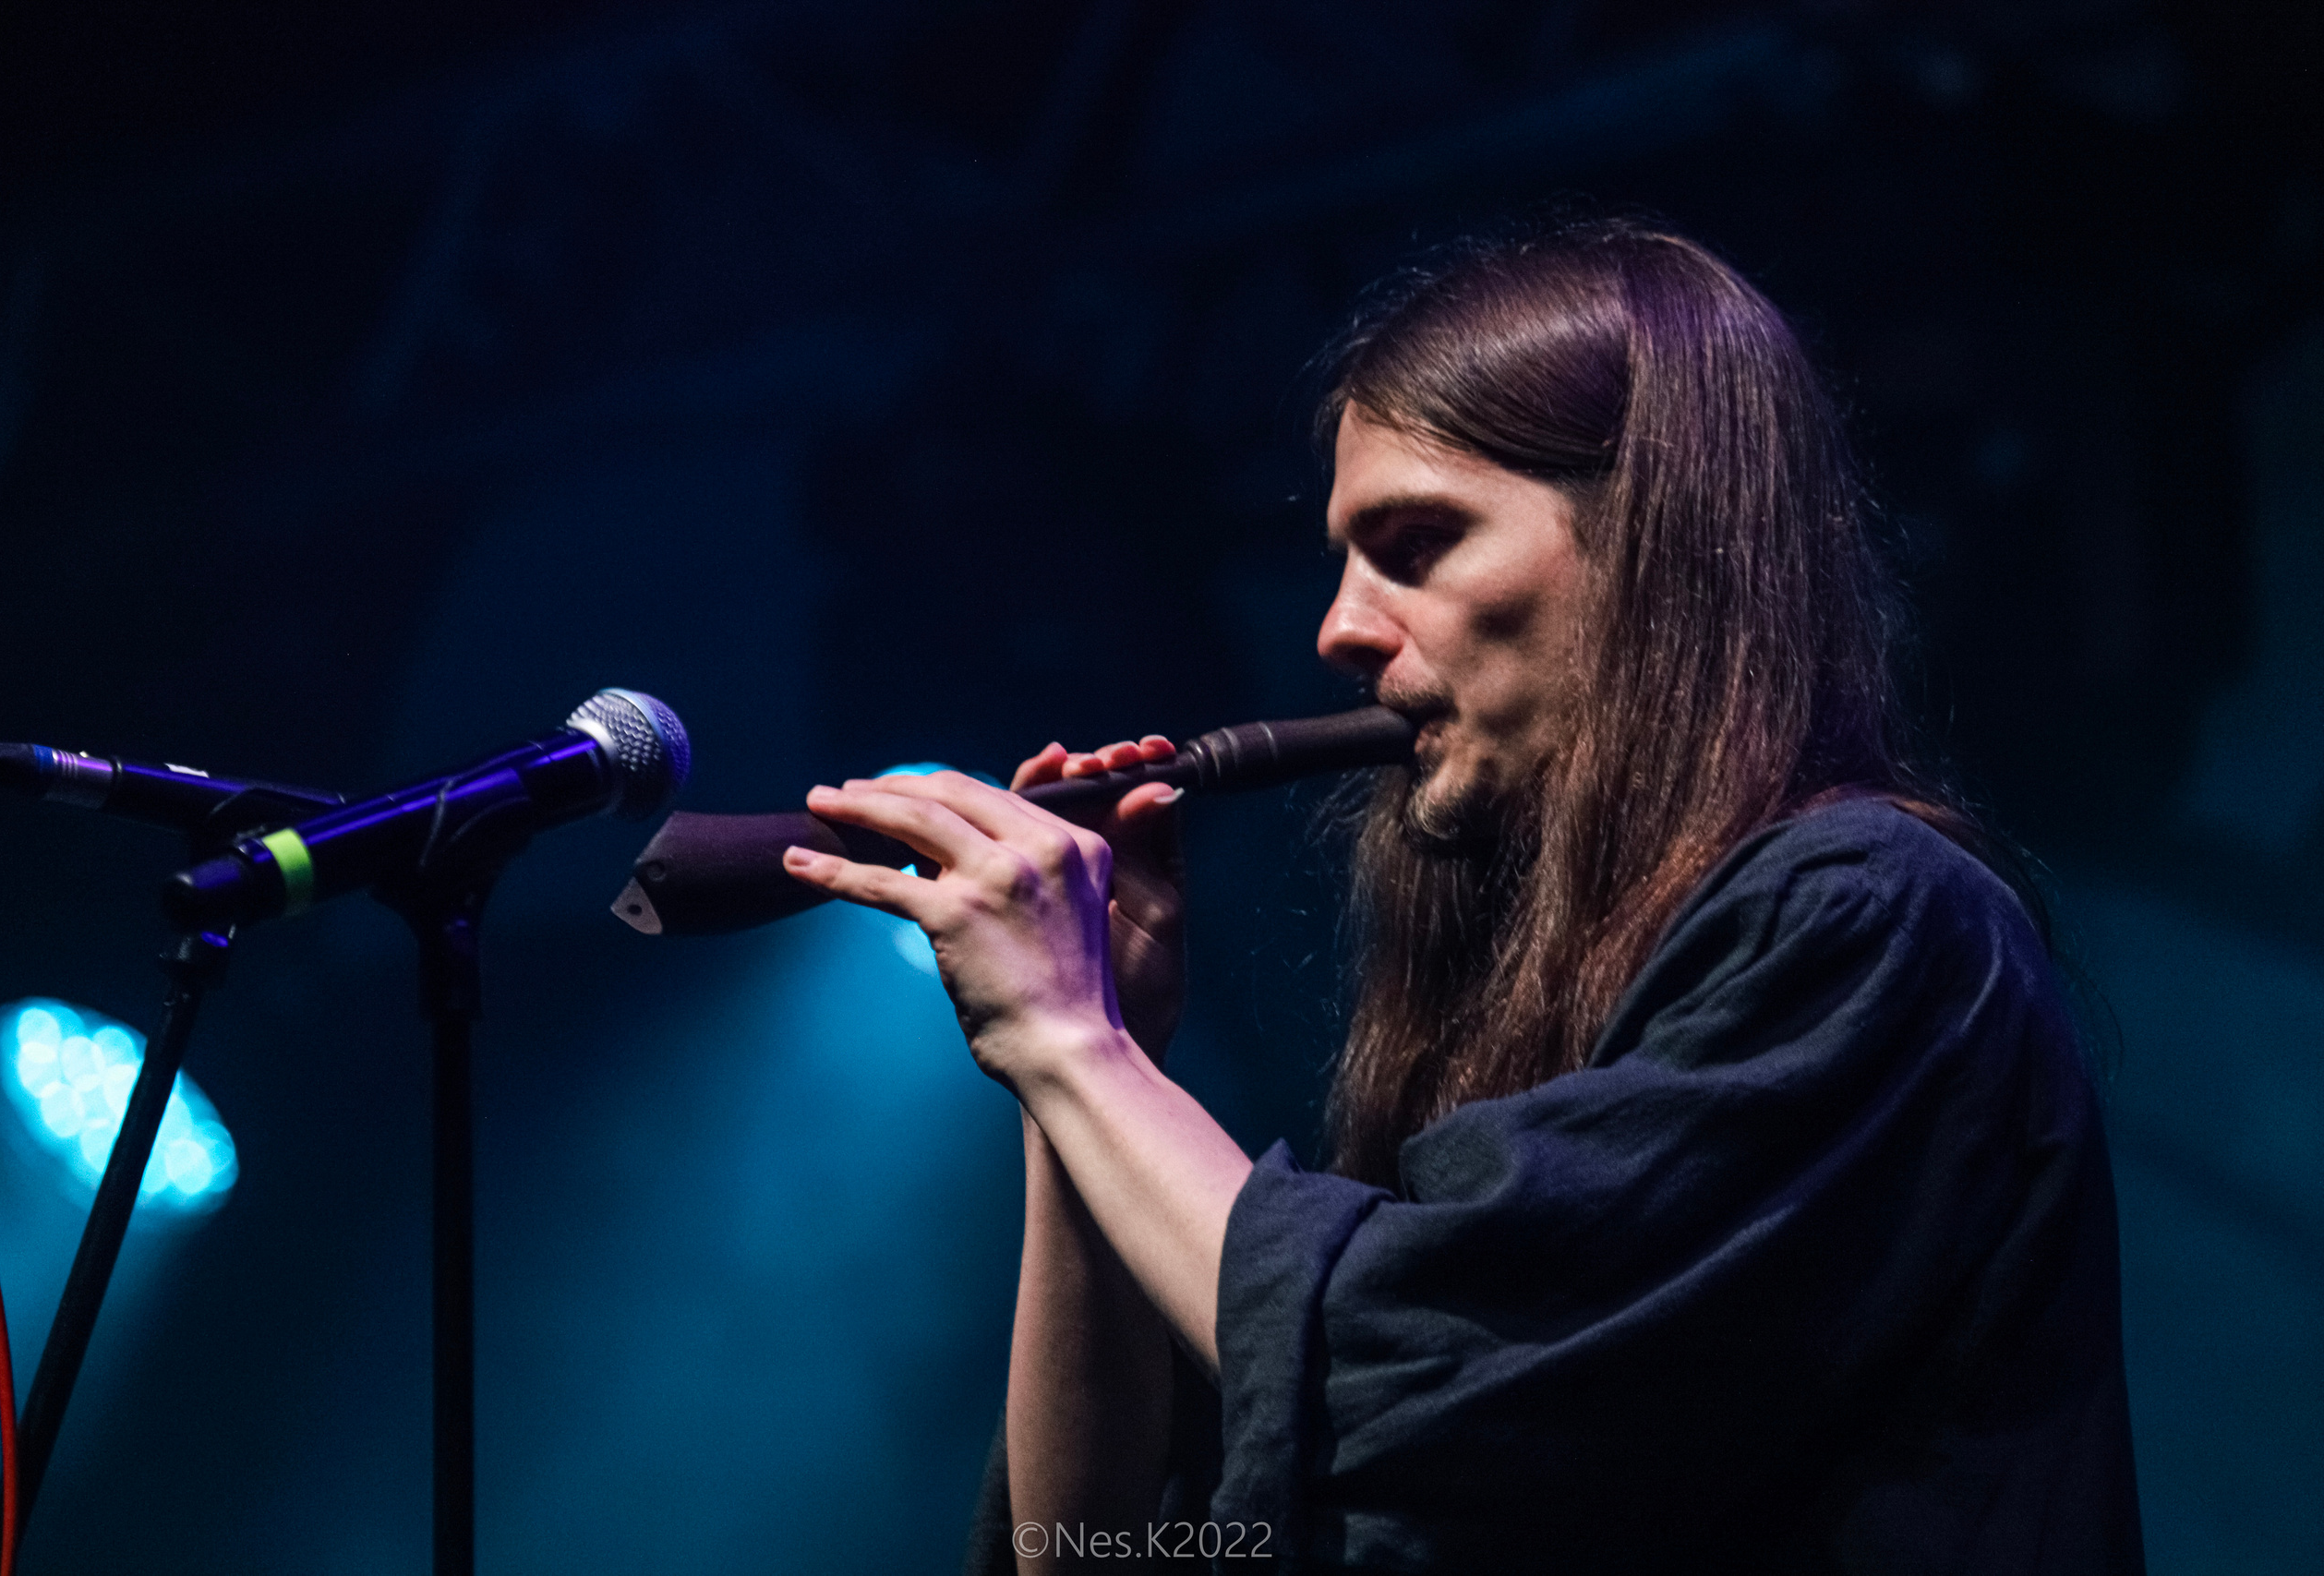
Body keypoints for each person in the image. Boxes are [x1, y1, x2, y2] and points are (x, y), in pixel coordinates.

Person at [782, 221, 2143, 1572]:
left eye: (1416, 541)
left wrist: (1069, 1043)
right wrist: (1090, 1057)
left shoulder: (1870, 914)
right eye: (1342, 557)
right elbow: (1085, 1552)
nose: (1339, 628)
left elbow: (1415, 1385)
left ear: (1654, 539)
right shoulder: (1534, 1017)